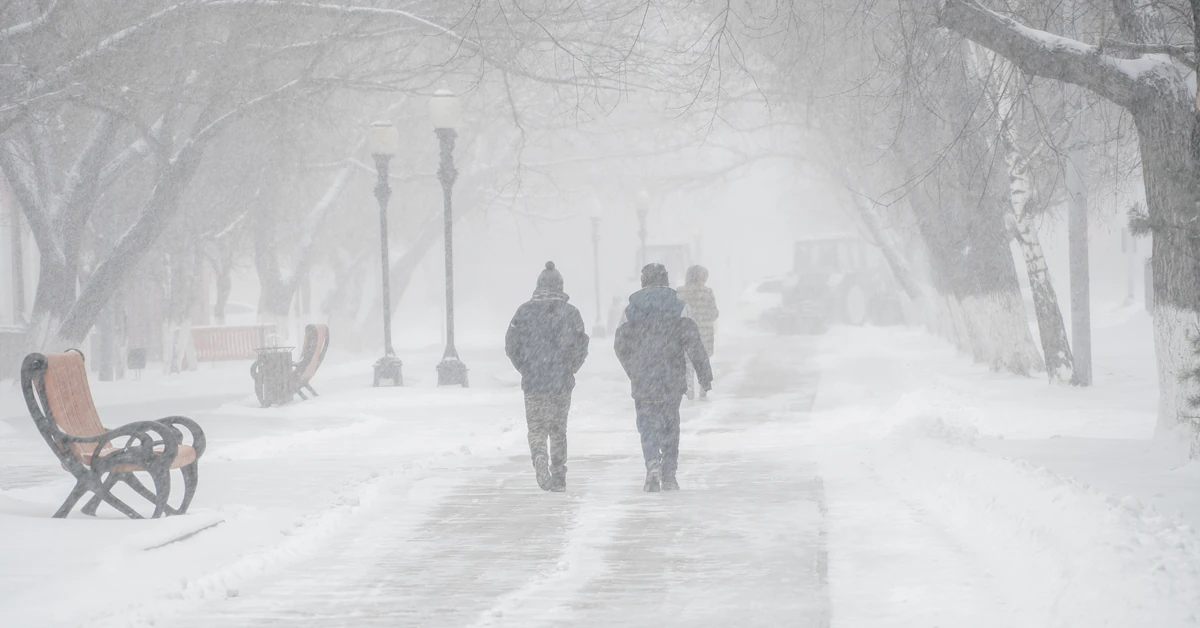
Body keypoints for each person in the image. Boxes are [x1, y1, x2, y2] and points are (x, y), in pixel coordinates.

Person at [614, 263, 713, 492]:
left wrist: (633, 368)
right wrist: (704, 375)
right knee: (670, 424)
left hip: (644, 378)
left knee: (647, 424)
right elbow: (693, 343)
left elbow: (619, 344)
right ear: (666, 281)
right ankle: (669, 474)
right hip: (671, 376)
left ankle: (651, 463)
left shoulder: (631, 309)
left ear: (643, 281)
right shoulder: (679, 307)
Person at [505, 261, 590, 492]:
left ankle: (540, 457)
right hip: (561, 381)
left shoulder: (523, 312)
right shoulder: (571, 313)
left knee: (536, 428)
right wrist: (570, 368)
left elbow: (511, 345)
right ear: (560, 287)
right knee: (558, 428)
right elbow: (582, 345)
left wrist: (526, 367)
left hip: (534, 382)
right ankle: (559, 472)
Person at [676, 265, 719, 400]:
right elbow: (714, 313)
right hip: (704, 335)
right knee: (702, 364)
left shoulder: (679, 292)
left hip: (685, 333)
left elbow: (676, 313)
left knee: (687, 365)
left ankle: (689, 394)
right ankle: (703, 392)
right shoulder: (707, 293)